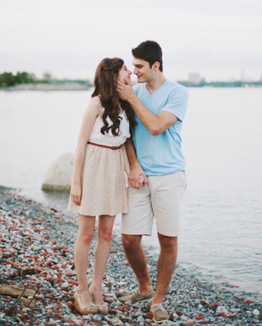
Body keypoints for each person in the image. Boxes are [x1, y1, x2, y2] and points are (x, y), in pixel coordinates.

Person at [115, 40, 189, 324]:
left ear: (155, 65)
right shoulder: (132, 91)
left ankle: (158, 299)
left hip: (170, 175)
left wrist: (132, 100)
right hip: (139, 176)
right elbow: (127, 135)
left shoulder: (178, 93)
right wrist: (133, 165)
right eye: (132, 66)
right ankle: (144, 287)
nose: (134, 72)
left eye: (139, 66)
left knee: (167, 239)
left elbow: (157, 127)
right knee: (129, 239)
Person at [68, 58, 137, 315]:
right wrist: (76, 182)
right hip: (93, 165)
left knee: (106, 233)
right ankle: (82, 288)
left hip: (114, 166)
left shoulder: (127, 104)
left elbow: (127, 140)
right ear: (113, 75)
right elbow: (81, 143)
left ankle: (97, 287)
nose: (129, 72)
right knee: (86, 233)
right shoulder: (96, 103)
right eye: (125, 69)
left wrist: (132, 169)